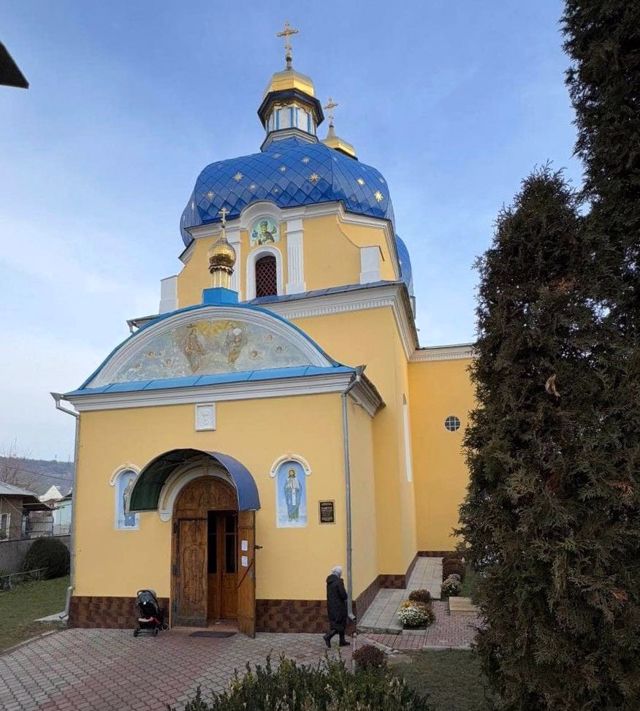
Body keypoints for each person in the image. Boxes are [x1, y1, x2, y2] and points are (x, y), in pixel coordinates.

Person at [323, 565, 350, 647]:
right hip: (339, 606)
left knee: (338, 623)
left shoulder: (329, 582)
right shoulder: (338, 582)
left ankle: (342, 641)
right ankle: (328, 636)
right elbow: (343, 595)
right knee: (339, 624)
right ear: (339, 573)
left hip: (331, 606)